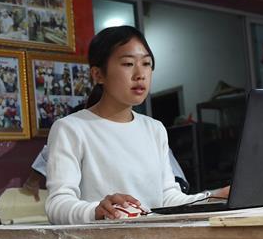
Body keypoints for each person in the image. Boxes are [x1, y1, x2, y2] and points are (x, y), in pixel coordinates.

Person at [45, 26, 229, 224]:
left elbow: (168, 199)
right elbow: (58, 204)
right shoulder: (71, 128)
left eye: (147, 64)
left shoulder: (154, 129)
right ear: (98, 74)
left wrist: (216, 196)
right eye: (128, 63)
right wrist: (96, 210)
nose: (140, 74)